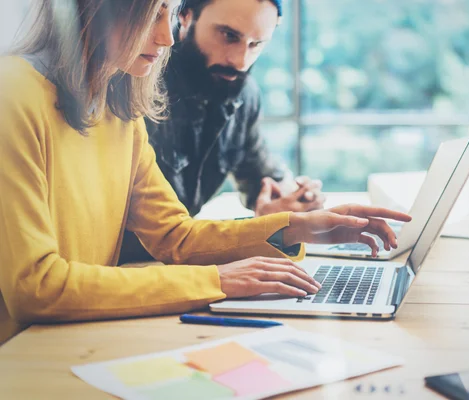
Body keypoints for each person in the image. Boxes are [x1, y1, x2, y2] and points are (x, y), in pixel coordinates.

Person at [0, 0, 410, 343]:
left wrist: (300, 227)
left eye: (170, 10)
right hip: (22, 353)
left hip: (77, 336)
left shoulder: (119, 109)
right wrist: (218, 280)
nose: (166, 37)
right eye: (153, 13)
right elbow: (37, 288)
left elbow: (175, 236)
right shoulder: (13, 93)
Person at [146, 0, 324, 218]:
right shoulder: (140, 84)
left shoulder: (242, 92)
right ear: (184, 15)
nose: (241, 62)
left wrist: (295, 199)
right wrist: (262, 228)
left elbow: (261, 175)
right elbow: (153, 230)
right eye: (229, 36)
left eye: (256, 44)